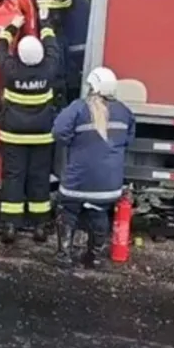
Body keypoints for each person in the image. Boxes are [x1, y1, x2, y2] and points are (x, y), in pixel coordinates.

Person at [51, 66, 135, 269]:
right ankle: (94, 256)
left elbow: (59, 132)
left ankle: (64, 255)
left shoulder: (78, 108)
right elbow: (128, 140)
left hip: (78, 180)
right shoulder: (125, 112)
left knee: (67, 210)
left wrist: (75, 144)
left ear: (92, 87)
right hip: (109, 185)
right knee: (99, 211)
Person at [0, 14, 61, 245]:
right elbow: (53, 46)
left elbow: (0, 47)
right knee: (39, 178)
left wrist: (14, 25)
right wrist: (44, 22)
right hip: (42, 136)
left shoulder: (11, 70)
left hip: (13, 135)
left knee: (13, 177)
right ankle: (40, 226)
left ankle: (11, 226)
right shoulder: (49, 69)